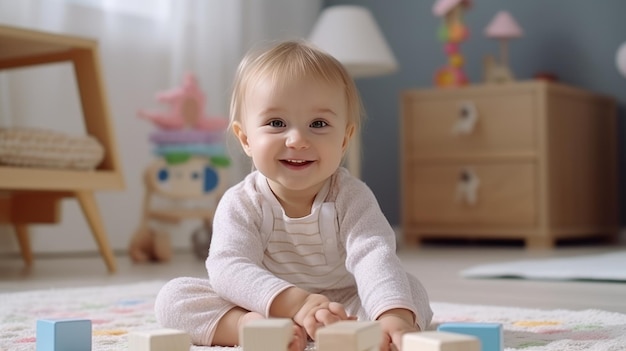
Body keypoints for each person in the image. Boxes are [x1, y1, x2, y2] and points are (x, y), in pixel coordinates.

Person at [154, 40, 433, 351]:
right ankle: (249, 329)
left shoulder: (352, 197)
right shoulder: (242, 202)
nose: (298, 139)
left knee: (408, 290)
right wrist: (293, 304)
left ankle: (374, 333)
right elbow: (228, 266)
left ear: (344, 140)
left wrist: (392, 315)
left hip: (343, 307)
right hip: (265, 304)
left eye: (318, 124)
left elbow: (374, 256)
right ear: (246, 139)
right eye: (276, 123)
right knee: (173, 298)